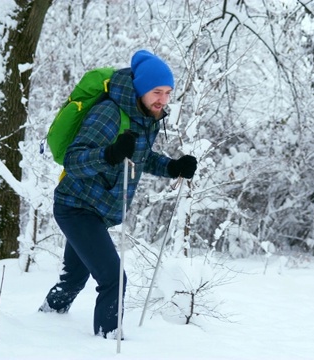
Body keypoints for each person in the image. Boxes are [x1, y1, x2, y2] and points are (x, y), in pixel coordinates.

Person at [39, 50, 197, 339]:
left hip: (97, 210)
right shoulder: (110, 113)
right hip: (76, 207)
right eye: (157, 91)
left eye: (168, 92)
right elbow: (74, 160)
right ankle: (108, 340)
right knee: (114, 278)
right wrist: (109, 154)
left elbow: (141, 157)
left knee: (74, 277)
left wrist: (173, 166)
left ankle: (46, 319)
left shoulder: (144, 117)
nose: (163, 99)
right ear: (140, 89)